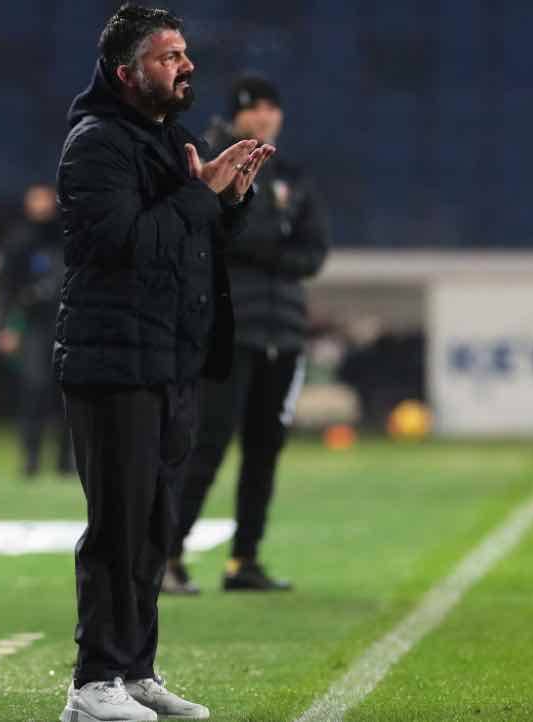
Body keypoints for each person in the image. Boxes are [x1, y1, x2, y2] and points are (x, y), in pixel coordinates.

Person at [53, 5, 275, 721]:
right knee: (117, 524)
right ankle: (93, 683)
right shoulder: (96, 145)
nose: (187, 66)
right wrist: (198, 194)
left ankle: (134, 669)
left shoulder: (170, 141)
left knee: (154, 524)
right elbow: (124, 243)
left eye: (184, 53)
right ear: (127, 73)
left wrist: (229, 201)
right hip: (112, 361)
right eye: (169, 56)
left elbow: (189, 243)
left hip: (169, 358)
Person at [164, 75, 330, 595]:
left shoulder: (293, 174)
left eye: (271, 107)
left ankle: (244, 560)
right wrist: (271, 242)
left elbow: (315, 251)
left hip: (284, 331)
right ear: (236, 114)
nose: (264, 116)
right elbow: (218, 232)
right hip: (227, 326)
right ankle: (167, 556)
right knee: (207, 443)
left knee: (265, 449)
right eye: (254, 107)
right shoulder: (209, 158)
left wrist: (262, 245)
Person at [0, 184, 74, 479]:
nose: (41, 206)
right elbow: (6, 289)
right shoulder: (19, 240)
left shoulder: (67, 236)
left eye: (44, 200)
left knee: (69, 392)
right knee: (34, 390)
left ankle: (67, 460)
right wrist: (7, 327)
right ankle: (31, 459)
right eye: (35, 201)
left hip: (67, 324)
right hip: (34, 326)